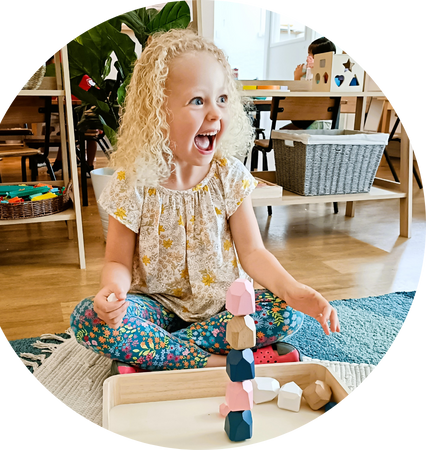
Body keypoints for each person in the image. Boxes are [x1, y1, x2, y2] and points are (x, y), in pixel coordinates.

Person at [70, 29, 340, 373]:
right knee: (87, 319)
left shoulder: (230, 175)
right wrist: (112, 291)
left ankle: (152, 356)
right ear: (157, 112)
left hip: (226, 307)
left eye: (222, 99)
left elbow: (253, 253)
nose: (215, 114)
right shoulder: (133, 181)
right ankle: (223, 361)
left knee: (285, 313)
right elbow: (118, 262)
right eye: (198, 101)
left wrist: (292, 288)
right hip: (157, 307)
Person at [291, 37, 337, 130]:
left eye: (310, 54)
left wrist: (297, 77)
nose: (307, 58)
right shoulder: (333, 75)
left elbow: (297, 99)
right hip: (328, 122)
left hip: (314, 121)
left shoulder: (316, 76)